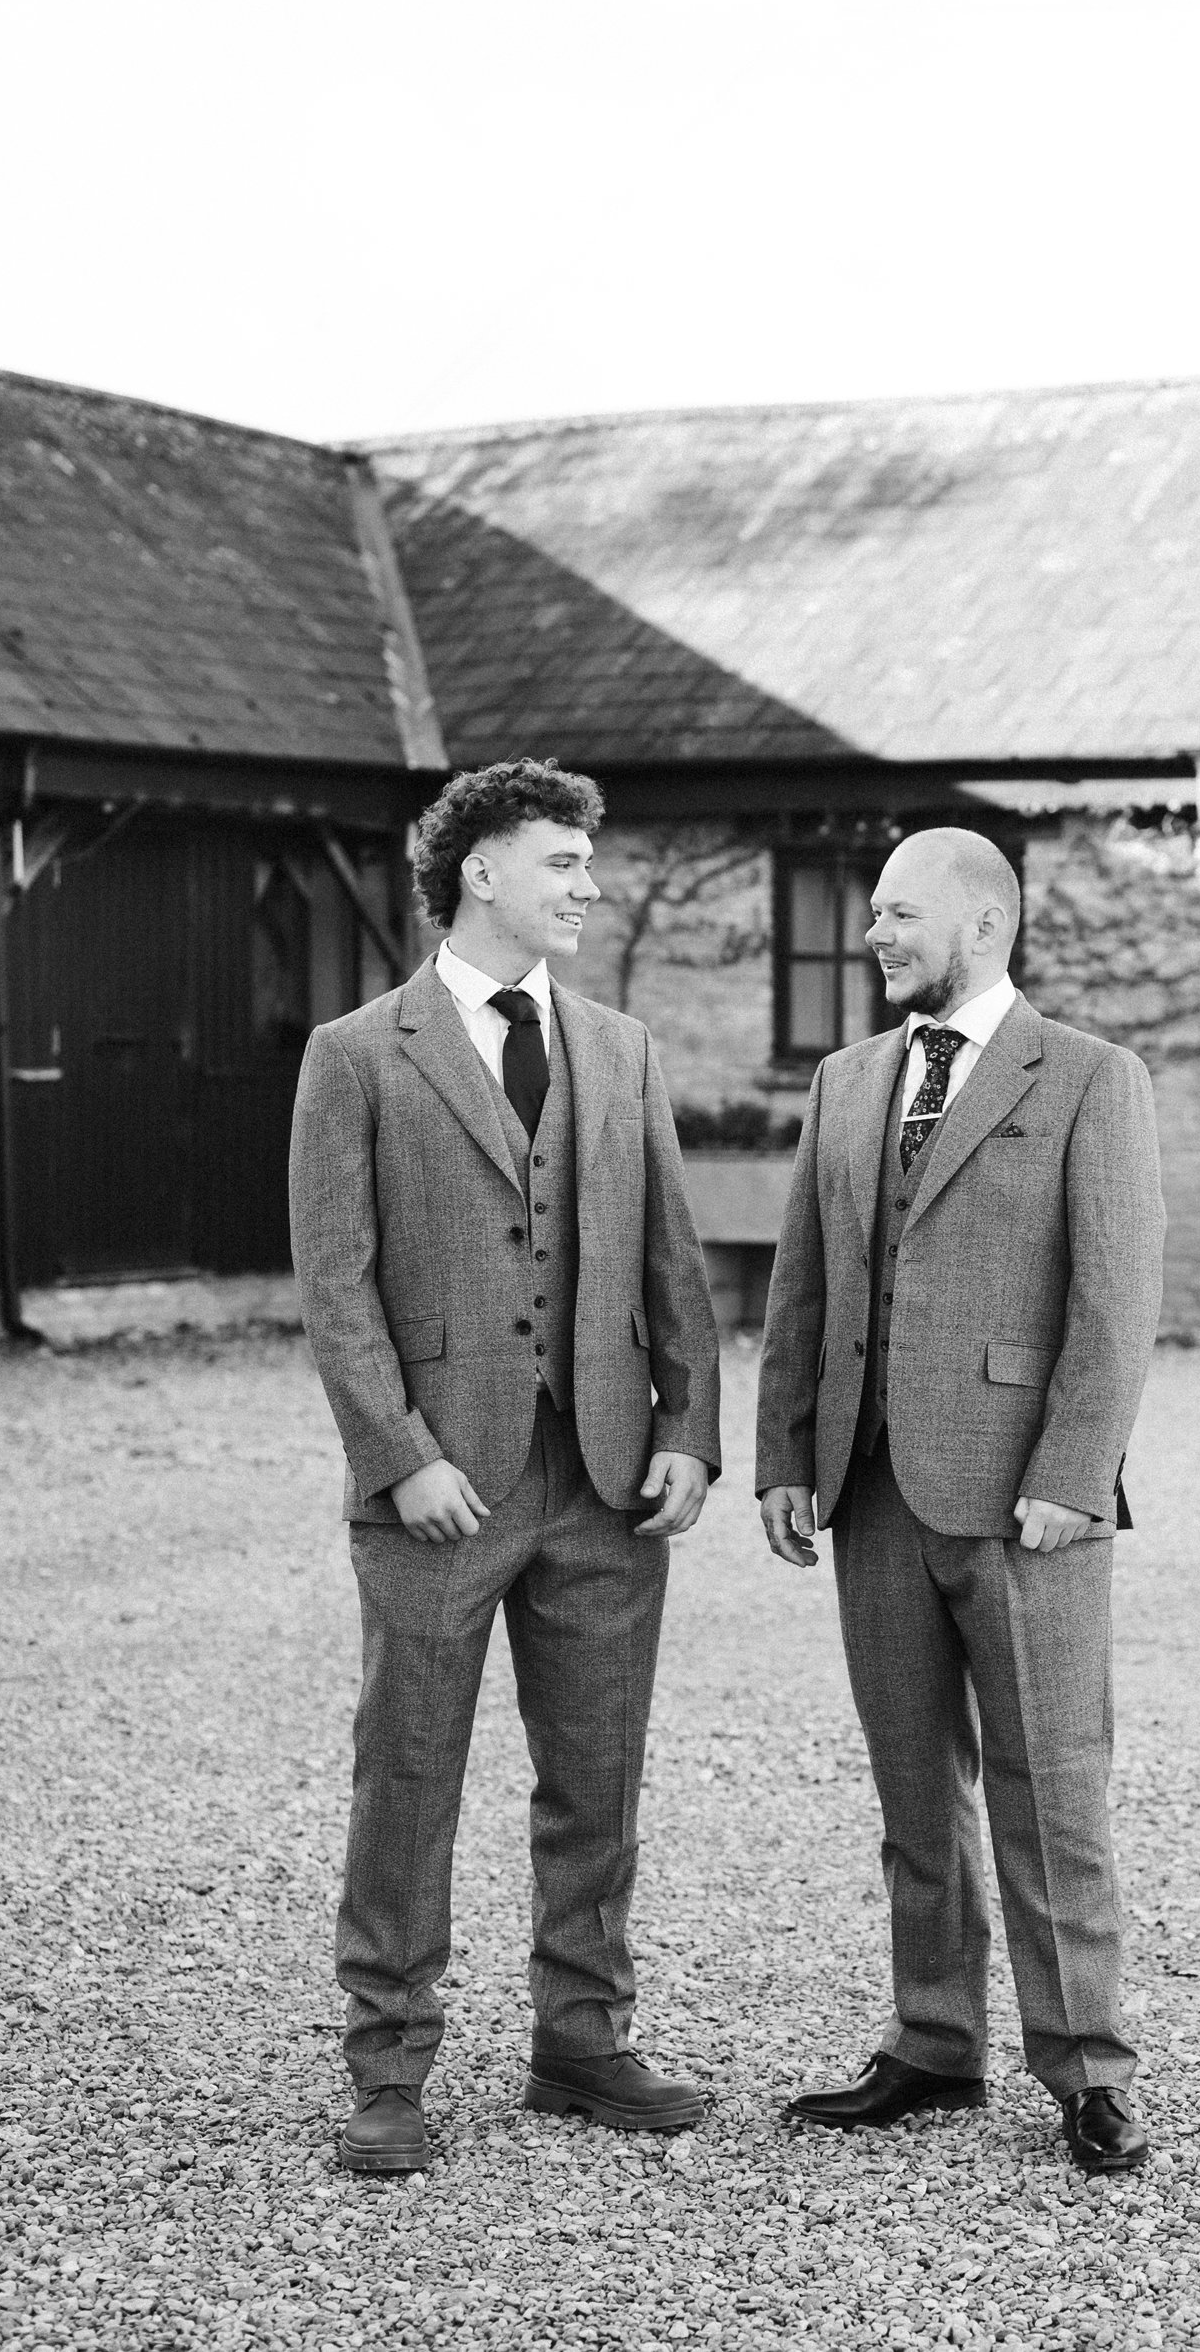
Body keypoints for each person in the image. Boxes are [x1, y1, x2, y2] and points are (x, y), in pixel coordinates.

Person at [289, 758, 721, 2172]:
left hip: (601, 1481)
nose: (587, 885)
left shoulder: (620, 1047)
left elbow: (674, 1265)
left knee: (595, 1776)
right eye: (562, 863)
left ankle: (582, 2045)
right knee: (406, 1773)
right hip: (440, 1492)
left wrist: (686, 1433)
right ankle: (389, 2067)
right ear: (480, 871)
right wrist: (400, 1456)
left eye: (588, 864)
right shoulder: (357, 1052)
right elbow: (335, 1285)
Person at [754, 827, 1164, 2173]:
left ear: (984, 927)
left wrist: (1070, 1478)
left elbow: (1114, 1308)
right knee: (912, 1794)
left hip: (1021, 1506)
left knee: (1054, 1793)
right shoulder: (849, 1079)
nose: (872, 936)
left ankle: (1087, 2067)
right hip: (872, 1497)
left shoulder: (1093, 1080)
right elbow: (801, 1289)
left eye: (896, 916)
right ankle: (934, 2043)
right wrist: (786, 1461)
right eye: (873, 916)